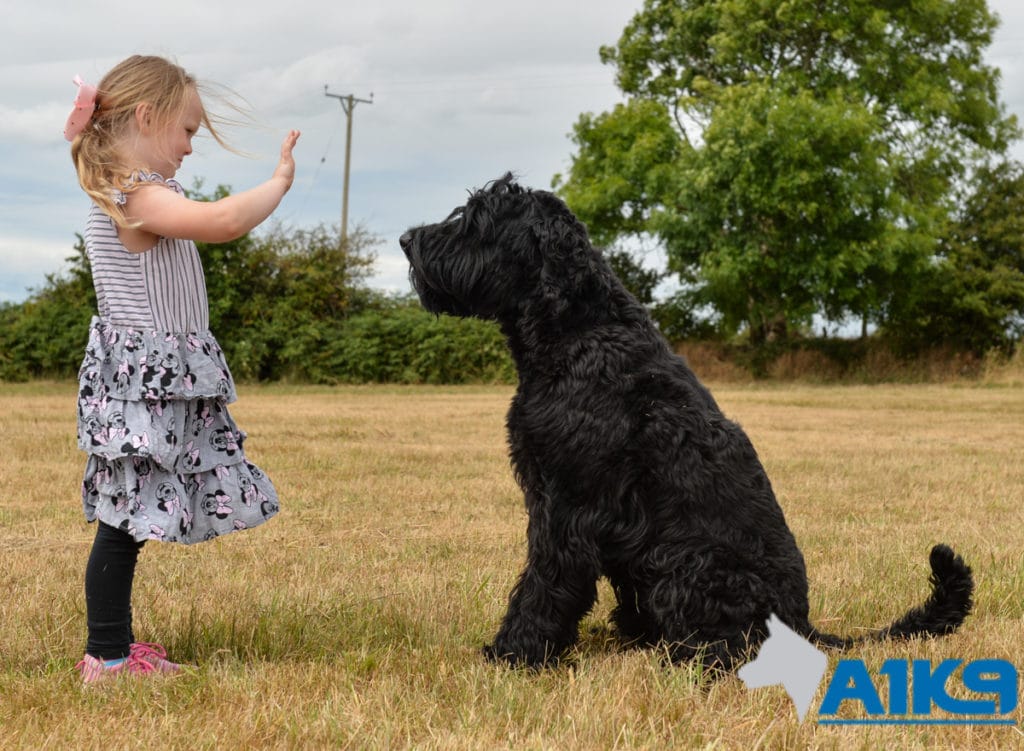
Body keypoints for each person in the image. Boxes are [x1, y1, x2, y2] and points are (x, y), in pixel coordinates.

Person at [65, 55, 300, 684]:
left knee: (131, 515)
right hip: (148, 384)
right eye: (189, 131)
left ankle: (114, 648)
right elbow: (221, 221)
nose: (191, 148)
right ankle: (107, 658)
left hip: (150, 380)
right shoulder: (138, 196)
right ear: (148, 115)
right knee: (122, 522)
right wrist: (278, 184)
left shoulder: (130, 193)